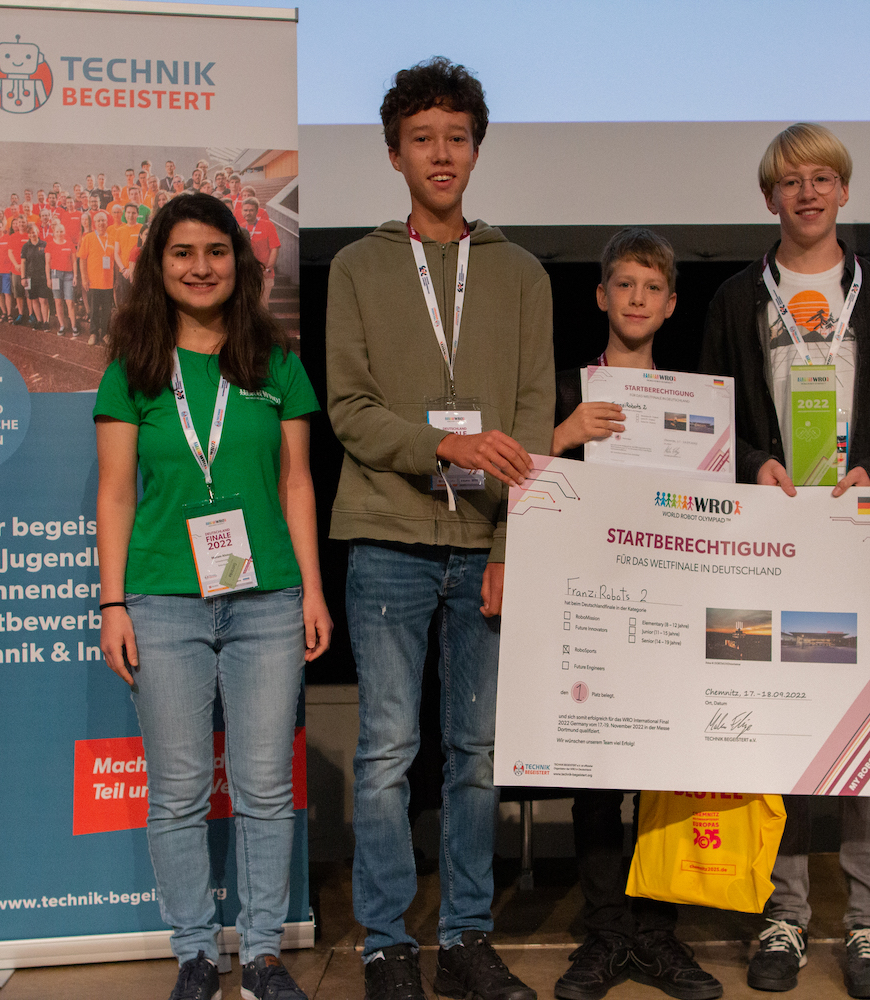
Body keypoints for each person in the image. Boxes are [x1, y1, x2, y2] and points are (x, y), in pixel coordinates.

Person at [699, 123, 870, 1000]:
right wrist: (749, 463)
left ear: (844, 190)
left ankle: (869, 923)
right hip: (767, 542)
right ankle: (786, 914)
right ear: (768, 197)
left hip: (855, 542)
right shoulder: (737, 298)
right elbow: (708, 425)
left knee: (863, 732)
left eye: (822, 178)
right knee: (780, 731)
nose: (806, 193)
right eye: (790, 181)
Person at [325, 56, 553, 1000]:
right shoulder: (357, 266)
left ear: (477, 150)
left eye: (457, 137)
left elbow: (534, 420)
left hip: (484, 546)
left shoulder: (521, 273)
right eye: (422, 139)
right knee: (386, 753)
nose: (441, 153)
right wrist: (442, 444)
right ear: (395, 155)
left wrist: (510, 547)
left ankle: (464, 937)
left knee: (477, 755)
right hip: (388, 539)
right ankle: (386, 943)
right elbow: (349, 409)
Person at [94, 192, 331, 1000]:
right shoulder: (133, 368)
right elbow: (115, 495)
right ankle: (195, 952)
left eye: (216, 251)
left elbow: (297, 484)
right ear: (158, 266)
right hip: (162, 603)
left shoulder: (276, 362)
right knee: (179, 793)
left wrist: (311, 591)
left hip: (267, 601)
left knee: (265, 789)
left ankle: (261, 954)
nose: (201, 267)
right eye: (183, 253)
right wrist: (112, 605)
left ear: (240, 260)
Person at [548, 228, 721, 1000]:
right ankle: (607, 931)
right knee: (597, 778)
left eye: (652, 288)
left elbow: (716, 502)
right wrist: (565, 434)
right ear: (601, 296)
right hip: (589, 606)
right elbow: (522, 477)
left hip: (672, 608)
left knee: (664, 775)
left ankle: (655, 934)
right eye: (624, 285)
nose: (638, 299)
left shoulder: (698, 402)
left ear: (671, 304)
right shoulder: (566, 389)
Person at [79, 211, 124, 346]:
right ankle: (93, 333)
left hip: (108, 282)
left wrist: (116, 279)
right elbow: (82, 259)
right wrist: (84, 278)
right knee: (93, 310)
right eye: (98, 221)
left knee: (106, 310)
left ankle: (104, 333)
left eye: (103, 220)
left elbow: (115, 261)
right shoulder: (88, 238)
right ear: (94, 223)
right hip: (93, 282)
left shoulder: (112, 239)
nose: (101, 223)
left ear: (107, 222)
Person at [240, 196, 280, 297]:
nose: (248, 213)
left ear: (257, 211)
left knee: (262, 304)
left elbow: (275, 248)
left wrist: (268, 269)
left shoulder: (268, 225)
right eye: (245, 210)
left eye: (251, 210)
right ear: (241, 211)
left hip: (264, 274)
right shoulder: (240, 227)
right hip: (247, 275)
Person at [47, 220, 79, 335]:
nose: (59, 233)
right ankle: (62, 325)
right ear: (54, 232)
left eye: (61, 231)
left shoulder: (69, 244)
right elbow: (47, 263)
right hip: (55, 275)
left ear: (64, 232)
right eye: (57, 231)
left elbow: (74, 261)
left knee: (70, 301)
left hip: (68, 275)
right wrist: (48, 279)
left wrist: (75, 276)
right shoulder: (50, 245)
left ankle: (74, 326)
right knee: (58, 301)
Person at [21, 223, 51, 329]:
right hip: (30, 277)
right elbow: (23, 263)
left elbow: (48, 262)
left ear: (37, 232)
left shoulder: (44, 244)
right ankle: (39, 320)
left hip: (42, 276)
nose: (32, 235)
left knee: (43, 300)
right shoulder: (25, 246)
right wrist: (23, 277)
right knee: (34, 300)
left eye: (33, 232)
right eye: (29, 233)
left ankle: (46, 322)